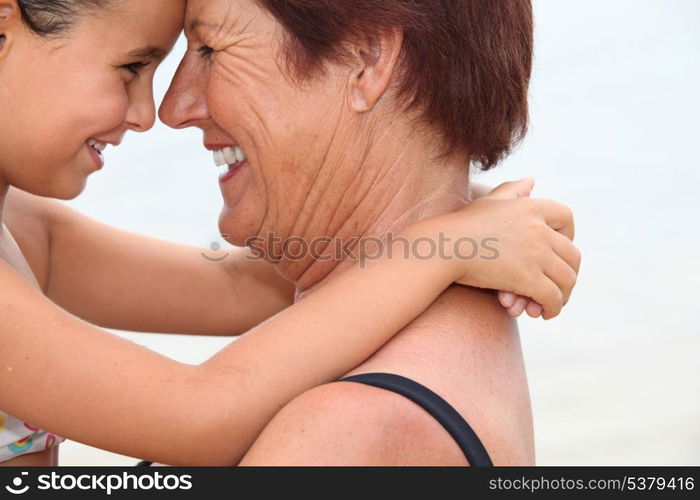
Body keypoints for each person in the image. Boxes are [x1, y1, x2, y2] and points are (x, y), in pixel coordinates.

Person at [0, 0, 578, 465]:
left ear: (367, 57)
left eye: (209, 48)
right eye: (131, 66)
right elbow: (194, 414)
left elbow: (242, 288)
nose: (162, 111)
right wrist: (447, 246)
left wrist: (459, 226)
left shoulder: (24, 231)